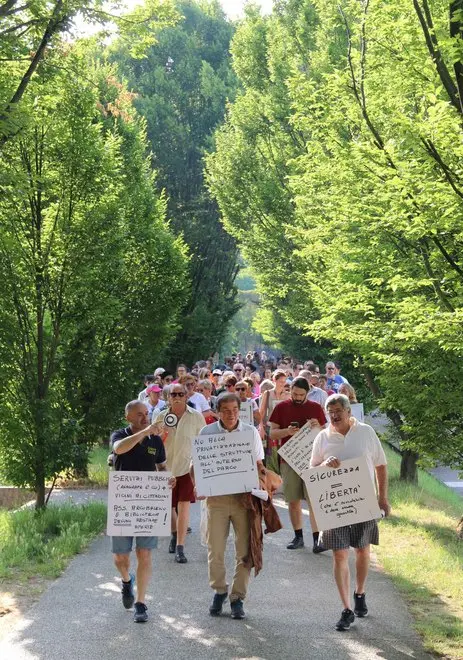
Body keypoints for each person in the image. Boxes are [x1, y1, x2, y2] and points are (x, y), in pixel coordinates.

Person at [310, 394, 390, 631]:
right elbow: (312, 469)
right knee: (339, 554)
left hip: (362, 502)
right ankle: (346, 609)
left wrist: (382, 498)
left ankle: (360, 592)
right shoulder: (322, 438)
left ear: (349, 412)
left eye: (338, 411)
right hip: (335, 506)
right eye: (330, 412)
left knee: (362, 550)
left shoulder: (365, 433)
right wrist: (324, 465)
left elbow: (381, 465)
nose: (334, 416)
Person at [191, 393, 265, 620]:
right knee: (216, 549)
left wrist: (262, 484)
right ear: (217, 412)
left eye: (235, 410)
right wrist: (198, 486)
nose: (231, 414)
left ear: (240, 410)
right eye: (226, 410)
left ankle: (238, 598)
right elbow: (196, 465)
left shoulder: (250, 432)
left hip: (244, 499)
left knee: (245, 550)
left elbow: (259, 464)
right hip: (217, 500)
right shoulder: (207, 432)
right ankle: (219, 590)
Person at [110, 400, 175, 623]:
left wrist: (169, 478)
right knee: (120, 557)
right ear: (128, 417)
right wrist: (145, 432)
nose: (145, 417)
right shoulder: (120, 434)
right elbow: (119, 449)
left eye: (146, 413)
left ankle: (141, 602)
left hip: (148, 505)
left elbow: (162, 467)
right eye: (139, 414)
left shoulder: (156, 441)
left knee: (144, 553)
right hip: (124, 505)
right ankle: (127, 580)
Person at [269, 377, 327, 552]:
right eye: (294, 393)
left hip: (312, 460)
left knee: (314, 501)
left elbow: (326, 434)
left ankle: (318, 539)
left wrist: (320, 427)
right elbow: (272, 434)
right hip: (289, 460)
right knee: (293, 499)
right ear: (290, 390)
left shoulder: (316, 408)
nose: (297, 397)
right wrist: (287, 431)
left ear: (307, 393)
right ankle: (298, 536)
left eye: (301, 395)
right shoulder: (281, 407)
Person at [154, 383, 204, 564]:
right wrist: (159, 438)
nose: (177, 397)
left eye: (180, 394)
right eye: (173, 394)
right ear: (167, 397)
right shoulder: (160, 417)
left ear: (186, 396)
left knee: (184, 507)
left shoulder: (196, 417)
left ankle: (180, 547)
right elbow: (153, 442)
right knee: (169, 506)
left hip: (186, 468)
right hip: (165, 469)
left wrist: (198, 470)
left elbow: (202, 444)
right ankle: (175, 534)